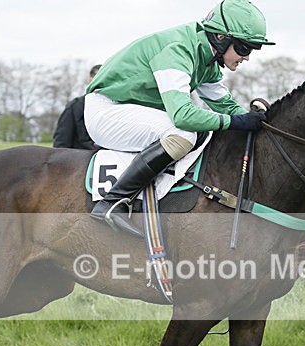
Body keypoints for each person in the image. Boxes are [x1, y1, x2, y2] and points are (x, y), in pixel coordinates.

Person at [84, 0, 274, 237]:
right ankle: (113, 202)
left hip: (132, 110)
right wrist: (236, 122)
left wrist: (259, 122)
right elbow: (183, 115)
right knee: (184, 133)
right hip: (107, 111)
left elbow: (226, 106)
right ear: (221, 38)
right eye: (245, 48)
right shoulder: (178, 49)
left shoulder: (207, 61)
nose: (247, 58)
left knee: (202, 131)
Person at [52, 64, 101, 149]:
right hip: (80, 160)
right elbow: (61, 144)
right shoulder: (74, 107)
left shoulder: (120, 107)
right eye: (96, 77)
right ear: (90, 79)